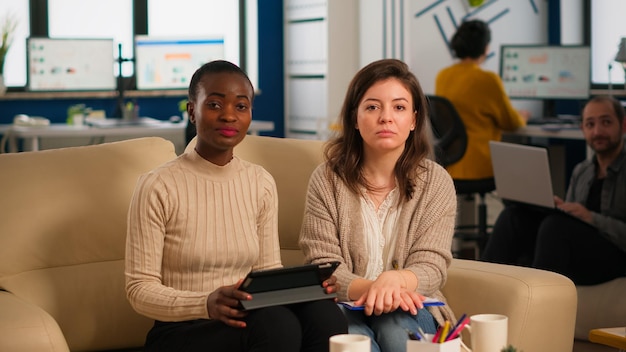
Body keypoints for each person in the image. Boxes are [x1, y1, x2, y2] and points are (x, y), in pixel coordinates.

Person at [125, 60, 347, 352]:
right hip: (183, 329)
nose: (229, 116)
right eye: (215, 105)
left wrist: (307, 290)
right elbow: (139, 290)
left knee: (324, 314)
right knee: (276, 325)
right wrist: (206, 303)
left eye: (241, 106)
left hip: (249, 317)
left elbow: (268, 270)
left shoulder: (260, 182)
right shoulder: (157, 185)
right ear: (193, 110)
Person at [298, 58, 457, 352]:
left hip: (414, 307)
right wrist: (376, 290)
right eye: (372, 107)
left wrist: (396, 280)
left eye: (399, 107)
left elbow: (432, 266)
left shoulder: (437, 182)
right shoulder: (327, 179)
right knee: (352, 338)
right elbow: (322, 266)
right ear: (355, 119)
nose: (386, 117)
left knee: (394, 325)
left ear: (413, 120)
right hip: (344, 305)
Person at [481, 95, 626, 286]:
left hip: (614, 256)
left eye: (606, 122)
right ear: (582, 129)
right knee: (513, 217)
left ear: (623, 126)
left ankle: (539, 303)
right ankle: (483, 291)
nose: (598, 131)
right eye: (590, 124)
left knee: (555, 227)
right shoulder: (582, 171)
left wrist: (591, 218)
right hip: (576, 250)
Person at [435, 19, 529, 180]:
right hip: (483, 165)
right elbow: (511, 123)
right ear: (486, 48)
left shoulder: (443, 76)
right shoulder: (488, 79)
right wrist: (523, 116)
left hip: (450, 163)